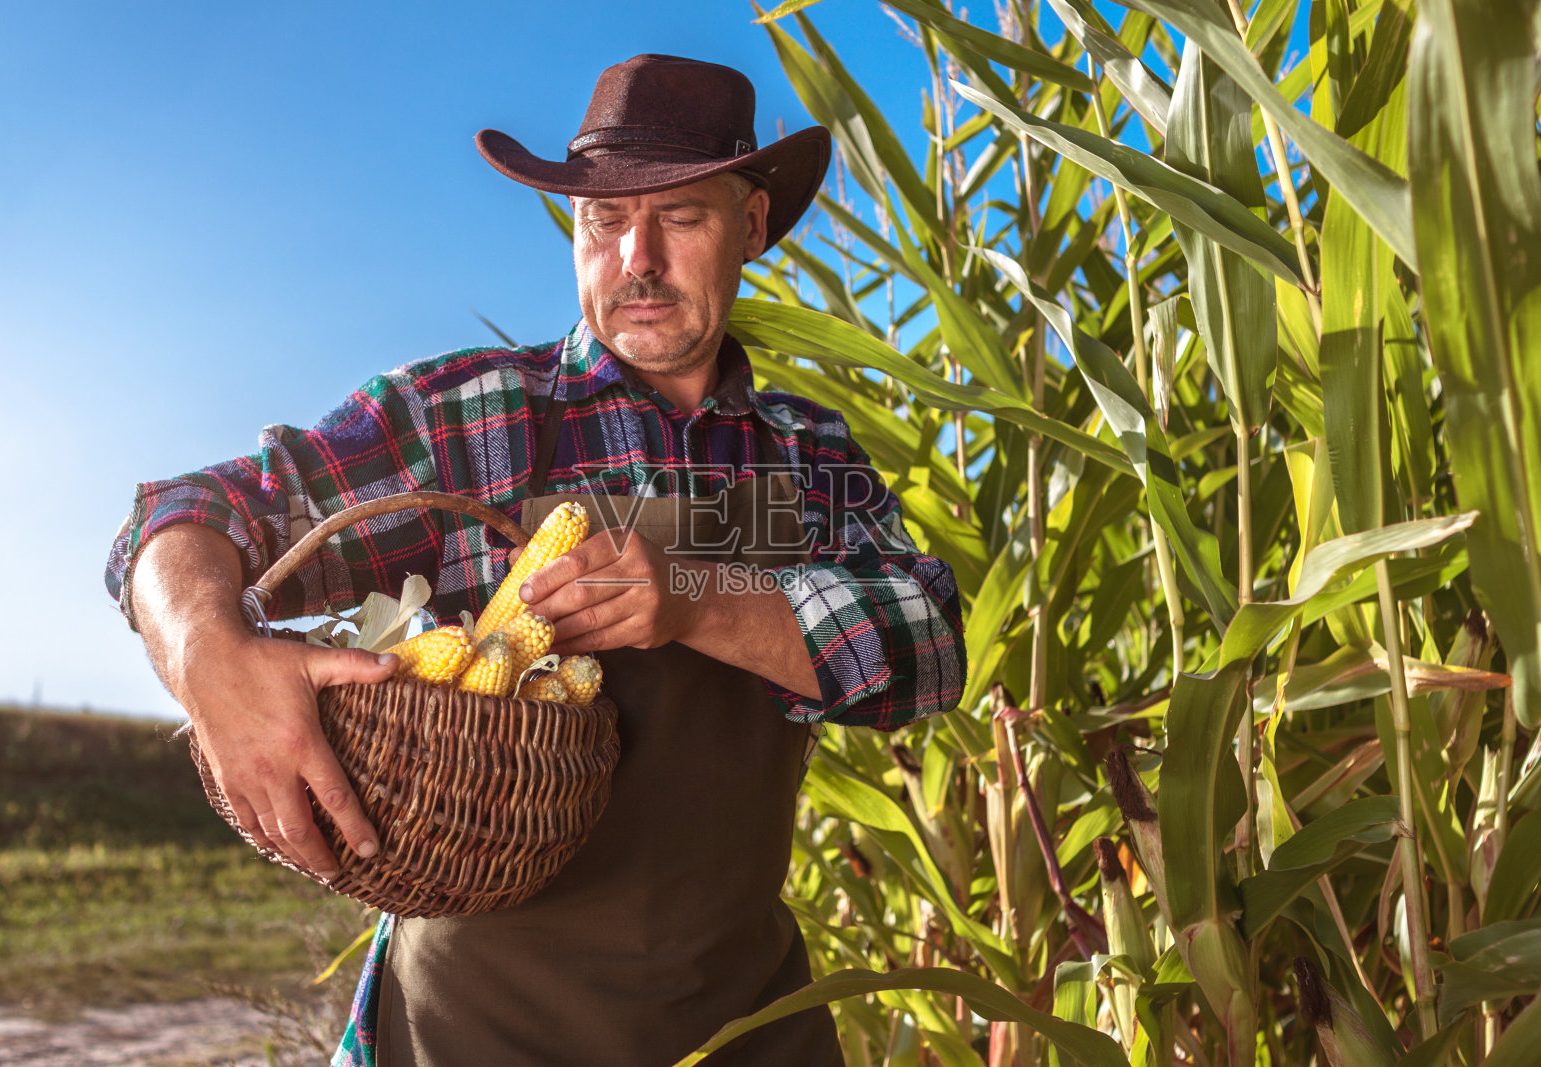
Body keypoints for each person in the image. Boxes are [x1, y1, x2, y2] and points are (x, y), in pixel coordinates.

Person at [105, 54, 965, 1067]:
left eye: (681, 217)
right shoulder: (478, 416)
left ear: (753, 225)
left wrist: (696, 598)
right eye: (603, 223)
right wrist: (209, 652)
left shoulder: (807, 455)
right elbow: (184, 512)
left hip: (743, 1021)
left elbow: (933, 644)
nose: (635, 257)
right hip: (480, 1025)